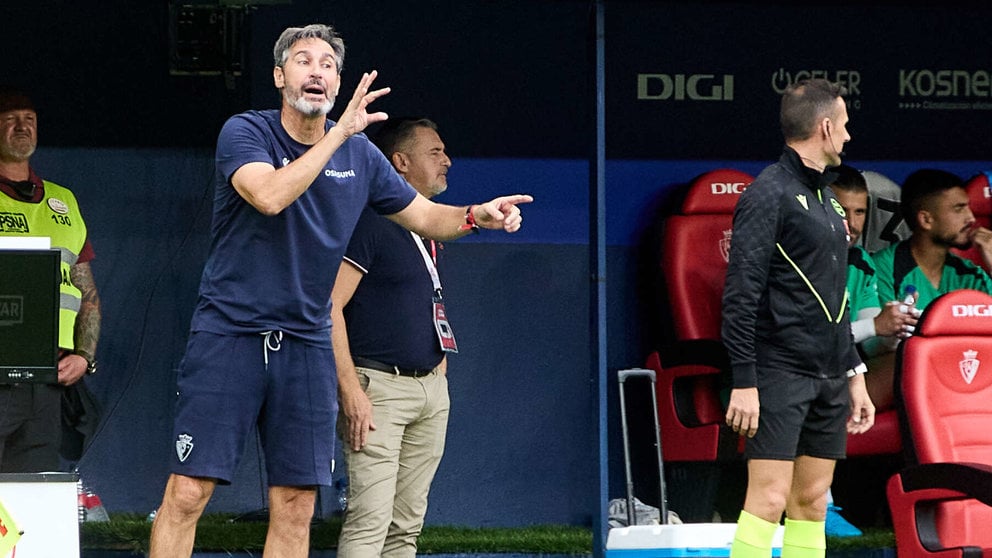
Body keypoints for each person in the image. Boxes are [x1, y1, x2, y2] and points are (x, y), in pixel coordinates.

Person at [147, 24, 532, 558]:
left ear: (338, 81)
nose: (317, 71)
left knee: (297, 503)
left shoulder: (364, 160)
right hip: (230, 333)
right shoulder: (246, 132)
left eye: (327, 64)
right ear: (281, 77)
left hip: (306, 343)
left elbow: (425, 215)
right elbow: (268, 196)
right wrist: (339, 132)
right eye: (303, 61)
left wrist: (475, 215)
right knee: (189, 492)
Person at [722, 79, 873, 558]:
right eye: (844, 126)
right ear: (825, 128)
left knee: (809, 503)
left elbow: (836, 302)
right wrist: (745, 381)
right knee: (767, 500)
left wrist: (854, 375)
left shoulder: (830, 202)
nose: (848, 137)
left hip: (829, 377)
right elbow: (740, 294)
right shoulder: (768, 193)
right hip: (779, 373)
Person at [332, 117, 456, 557]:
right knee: (370, 523)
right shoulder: (371, 221)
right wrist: (351, 391)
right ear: (400, 163)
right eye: (435, 152)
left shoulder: (425, 229)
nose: (447, 161)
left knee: (406, 528)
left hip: (428, 390)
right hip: (378, 391)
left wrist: (437, 370)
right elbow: (329, 308)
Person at [0, 88, 101, 472]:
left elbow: (87, 291)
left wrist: (84, 357)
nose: (22, 126)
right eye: (10, 118)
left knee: (32, 491)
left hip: (48, 377)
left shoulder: (63, 201)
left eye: (29, 119)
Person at [821, 164, 915, 538]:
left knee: (911, 363)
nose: (854, 223)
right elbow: (807, 335)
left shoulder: (859, 261)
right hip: (781, 374)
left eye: (860, 212)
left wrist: (895, 327)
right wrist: (872, 328)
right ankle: (821, 508)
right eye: (843, 212)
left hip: (840, 371)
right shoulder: (794, 258)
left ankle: (939, 492)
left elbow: (869, 336)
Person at [867, 168, 992, 410]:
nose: (970, 218)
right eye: (958, 209)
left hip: (960, 374)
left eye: (968, 206)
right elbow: (872, 346)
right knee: (913, 361)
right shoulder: (883, 267)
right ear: (926, 219)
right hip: (893, 376)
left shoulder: (971, 273)